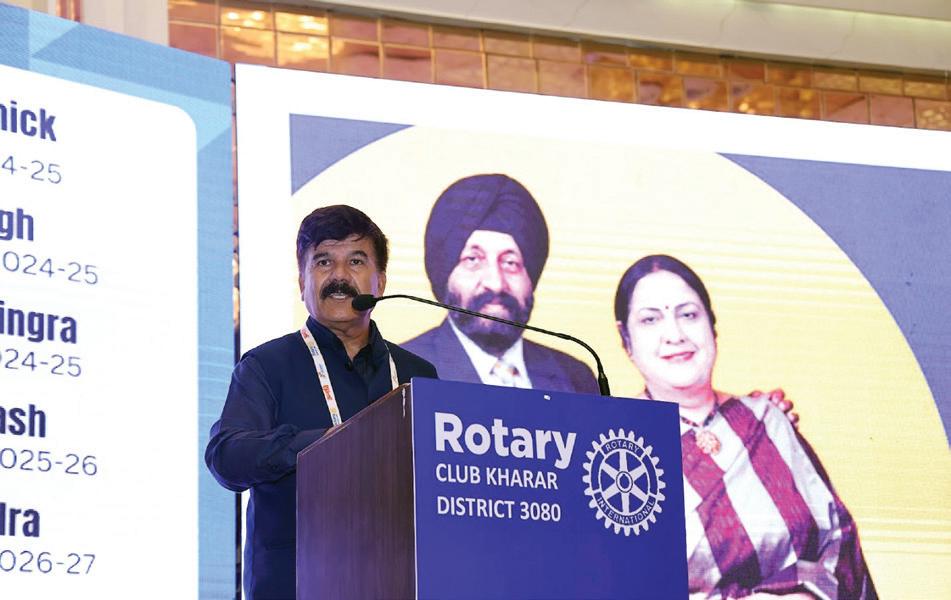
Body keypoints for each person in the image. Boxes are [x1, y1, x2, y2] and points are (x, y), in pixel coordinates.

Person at [206, 205, 437, 599]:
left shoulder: (418, 374)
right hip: (296, 586)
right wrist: (322, 446)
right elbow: (226, 457)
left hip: (400, 584)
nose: (339, 276)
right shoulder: (266, 366)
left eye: (356, 261)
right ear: (302, 282)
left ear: (380, 281)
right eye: (324, 261)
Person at [614, 254, 876, 600]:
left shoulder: (767, 422)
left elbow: (840, 544)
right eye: (650, 320)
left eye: (688, 315)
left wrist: (808, 594)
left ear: (712, 327)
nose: (674, 335)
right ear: (626, 340)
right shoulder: (613, 449)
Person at [402, 173, 599, 393]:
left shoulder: (575, 377)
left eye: (510, 263)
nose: (495, 283)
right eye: (473, 260)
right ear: (446, 274)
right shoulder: (403, 370)